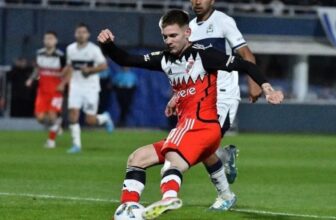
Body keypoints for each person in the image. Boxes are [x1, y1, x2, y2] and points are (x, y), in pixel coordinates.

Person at [98, 9, 283, 219]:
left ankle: (168, 199)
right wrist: (108, 45)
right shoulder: (164, 59)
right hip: (190, 130)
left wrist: (267, 89)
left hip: (203, 126)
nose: (168, 41)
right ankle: (128, 208)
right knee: (136, 158)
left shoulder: (205, 55)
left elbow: (245, 64)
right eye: (165, 36)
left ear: (187, 33)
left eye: (173, 35)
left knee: (171, 161)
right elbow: (127, 60)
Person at [165, 0, 264, 210]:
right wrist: (177, 96)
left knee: (201, 145)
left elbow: (246, 54)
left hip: (224, 94)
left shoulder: (224, 22)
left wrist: (254, 82)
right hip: (200, 96)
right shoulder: (189, 28)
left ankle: (226, 194)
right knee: (203, 146)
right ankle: (225, 171)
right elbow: (187, 68)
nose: (197, 1)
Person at [62, 23, 114, 154]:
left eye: (83, 32)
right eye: (78, 32)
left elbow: (104, 66)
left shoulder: (94, 50)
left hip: (90, 87)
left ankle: (104, 118)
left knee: (89, 120)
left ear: (88, 35)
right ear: (75, 34)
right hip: (75, 86)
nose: (81, 34)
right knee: (73, 115)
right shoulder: (70, 49)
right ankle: (76, 145)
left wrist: (90, 70)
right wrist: (63, 80)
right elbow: (70, 66)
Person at [25, 31, 66, 148]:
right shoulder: (39, 53)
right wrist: (31, 79)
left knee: (52, 115)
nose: (49, 41)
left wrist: (63, 83)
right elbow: (37, 69)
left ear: (55, 41)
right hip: (42, 91)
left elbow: (67, 71)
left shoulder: (60, 56)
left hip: (56, 91)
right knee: (40, 118)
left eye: (51, 39)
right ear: (44, 41)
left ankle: (51, 142)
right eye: (47, 39)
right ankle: (57, 125)